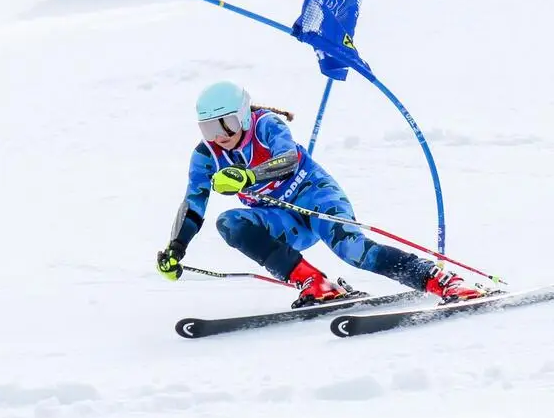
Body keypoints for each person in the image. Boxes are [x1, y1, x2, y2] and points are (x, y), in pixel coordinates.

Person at [155, 80, 489, 308]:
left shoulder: (266, 125)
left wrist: (249, 176)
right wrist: (176, 247)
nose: (219, 136)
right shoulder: (206, 156)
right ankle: (315, 283)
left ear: (242, 115)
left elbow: (287, 160)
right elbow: (194, 204)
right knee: (229, 222)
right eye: (208, 128)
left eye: (225, 124)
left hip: (315, 197)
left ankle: (440, 280)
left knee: (353, 251)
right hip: (282, 220)